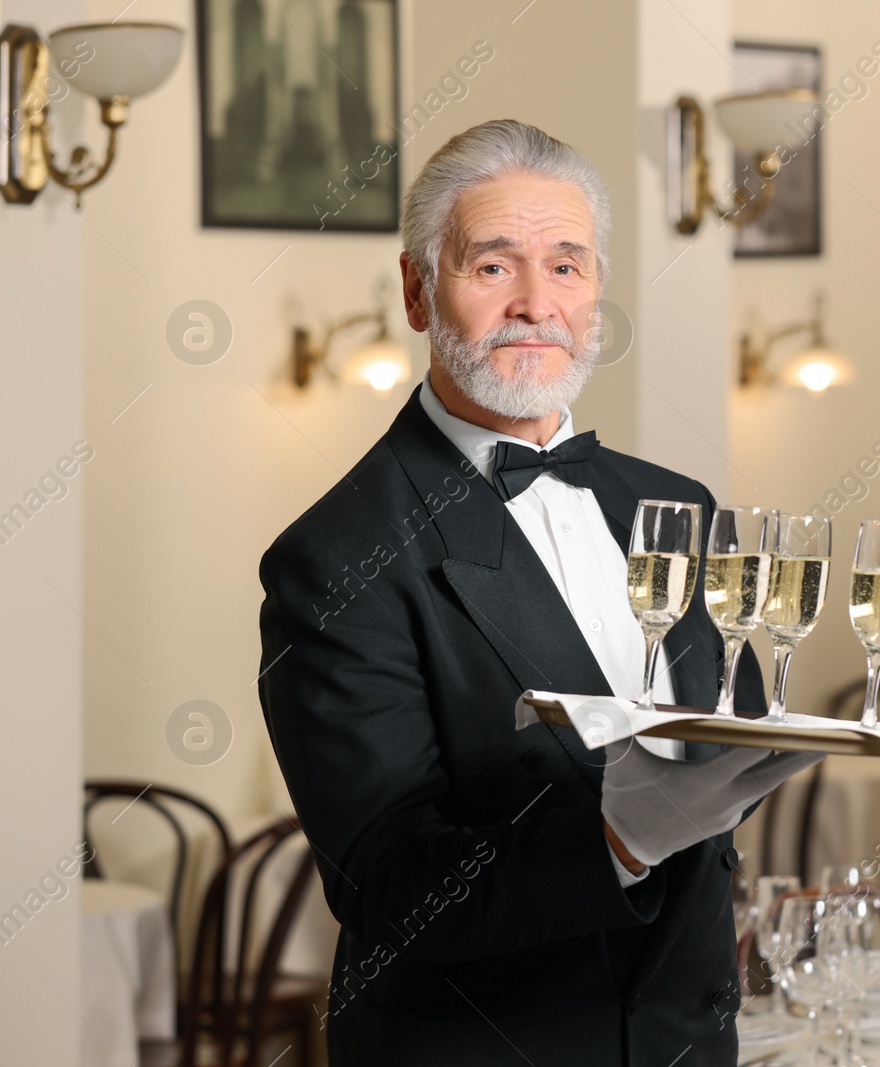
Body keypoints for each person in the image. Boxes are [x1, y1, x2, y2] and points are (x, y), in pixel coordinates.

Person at [257, 119, 821, 1066]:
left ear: (597, 290)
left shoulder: (675, 504)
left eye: (566, 266)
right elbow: (388, 885)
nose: (535, 303)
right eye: (492, 267)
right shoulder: (335, 557)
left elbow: (727, 744)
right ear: (415, 290)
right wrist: (619, 839)